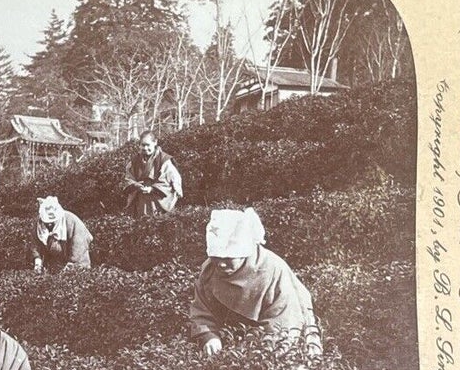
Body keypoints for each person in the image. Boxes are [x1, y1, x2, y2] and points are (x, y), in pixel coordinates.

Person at [190, 207, 322, 358]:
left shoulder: (272, 271)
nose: (220, 264)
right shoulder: (209, 269)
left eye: (228, 259)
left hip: (278, 334)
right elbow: (201, 310)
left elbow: (283, 324)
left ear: (243, 253)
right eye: (216, 257)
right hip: (235, 336)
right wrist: (209, 336)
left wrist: (251, 351)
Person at [123, 131, 182, 216]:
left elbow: (170, 179)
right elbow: (128, 177)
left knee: (157, 224)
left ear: (155, 142)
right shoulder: (135, 160)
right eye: (143, 145)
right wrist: (135, 185)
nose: (145, 148)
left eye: (148, 145)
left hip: (157, 201)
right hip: (140, 200)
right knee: (140, 224)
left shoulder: (164, 159)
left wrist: (152, 189)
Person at [32, 195, 93, 273]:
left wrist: (70, 266)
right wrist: (38, 262)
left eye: (52, 222)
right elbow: (35, 244)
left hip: (76, 260)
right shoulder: (39, 223)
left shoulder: (71, 221)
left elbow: (79, 246)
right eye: (47, 222)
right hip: (55, 264)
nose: (49, 224)